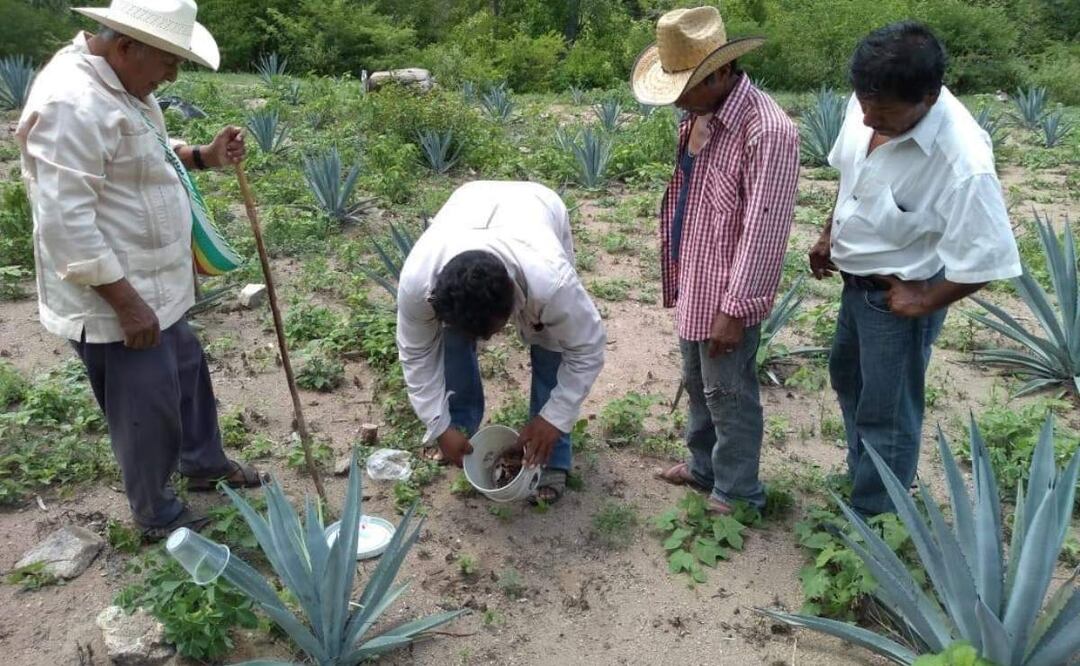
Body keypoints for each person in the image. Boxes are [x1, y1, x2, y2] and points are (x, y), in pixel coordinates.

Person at [16, 0, 265, 540]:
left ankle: (203, 464)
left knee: (187, 372)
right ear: (127, 46)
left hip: (157, 282)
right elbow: (65, 224)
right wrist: (127, 304)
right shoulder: (71, 103)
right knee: (145, 406)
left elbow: (144, 154)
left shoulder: (123, 85)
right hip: (117, 297)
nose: (173, 75)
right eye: (169, 61)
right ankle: (156, 514)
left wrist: (202, 155)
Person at [809, 21, 1021, 516]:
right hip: (854, 283)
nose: (865, 120)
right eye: (862, 104)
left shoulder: (963, 159)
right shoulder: (872, 100)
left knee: (889, 412)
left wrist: (924, 300)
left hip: (898, 298)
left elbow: (988, 254)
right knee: (848, 379)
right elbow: (853, 179)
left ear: (928, 96)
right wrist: (828, 233)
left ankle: (876, 518)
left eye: (881, 115)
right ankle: (865, 473)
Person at [634, 7, 800, 514]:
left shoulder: (768, 131)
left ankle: (738, 490)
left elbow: (764, 232)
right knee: (697, 383)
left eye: (686, 86)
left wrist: (736, 309)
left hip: (728, 293)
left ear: (722, 72)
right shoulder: (700, 117)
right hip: (696, 280)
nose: (678, 99)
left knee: (729, 394)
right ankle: (703, 467)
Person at [396, 181, 606, 504]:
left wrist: (554, 417)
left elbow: (587, 348)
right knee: (451, 343)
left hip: (537, 205)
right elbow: (416, 353)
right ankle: (459, 426)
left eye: (491, 331)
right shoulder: (418, 282)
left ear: (513, 301)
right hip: (470, 201)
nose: (486, 341)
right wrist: (438, 425)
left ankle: (551, 457)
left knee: (551, 343)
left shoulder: (551, 283)